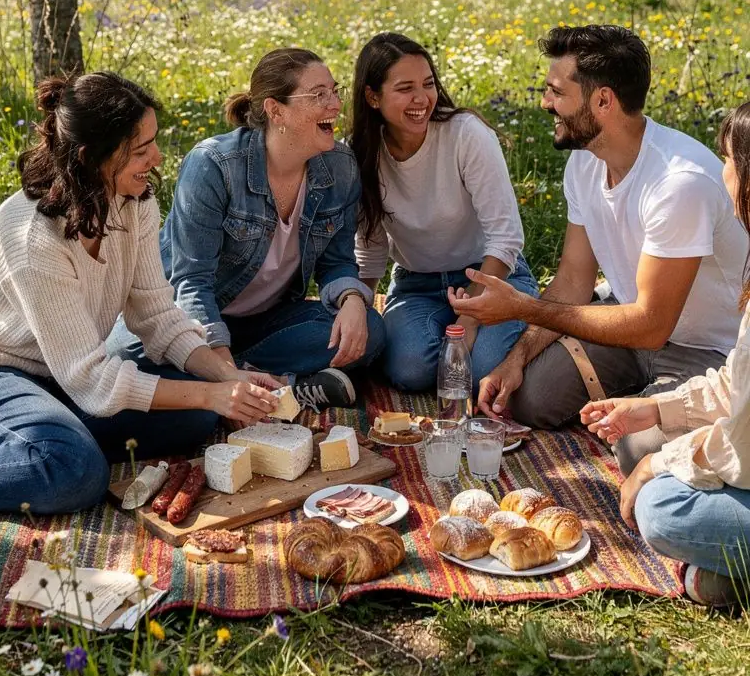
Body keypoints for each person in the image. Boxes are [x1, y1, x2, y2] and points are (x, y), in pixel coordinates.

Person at [0, 73, 280, 516]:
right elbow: (90, 378)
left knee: (195, 414)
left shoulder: (135, 203)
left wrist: (224, 376)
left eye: (154, 142)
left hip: (61, 374)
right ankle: (3, 449)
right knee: (76, 471)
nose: (156, 159)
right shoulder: (32, 239)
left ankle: (23, 444)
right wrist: (211, 393)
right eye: (141, 150)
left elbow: (157, 315)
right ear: (90, 157)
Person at [449, 25, 747, 473]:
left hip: (706, 350)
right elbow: (572, 279)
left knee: (635, 448)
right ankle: (637, 397)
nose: (546, 103)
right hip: (631, 332)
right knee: (533, 399)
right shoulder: (585, 162)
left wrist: (521, 308)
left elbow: (650, 325)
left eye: (556, 92)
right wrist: (516, 359)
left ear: (602, 101)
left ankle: (664, 411)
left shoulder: (678, 183)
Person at [581, 102, 750, 607]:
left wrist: (661, 462)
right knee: (643, 444)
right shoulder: (583, 167)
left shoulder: (679, 180)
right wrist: (655, 409)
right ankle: (726, 574)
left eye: (728, 159)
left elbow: (743, 444)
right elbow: (736, 387)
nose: (722, 173)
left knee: (663, 505)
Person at [160, 47, 385, 409]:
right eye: (318, 95)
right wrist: (221, 368)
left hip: (266, 324)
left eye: (334, 90)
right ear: (275, 109)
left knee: (369, 331)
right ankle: (286, 386)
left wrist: (354, 300)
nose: (336, 105)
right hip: (192, 322)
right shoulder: (214, 166)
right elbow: (191, 284)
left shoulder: (340, 166)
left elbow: (337, 263)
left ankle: (260, 378)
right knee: (141, 363)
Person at [350, 32, 538, 390]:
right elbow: (371, 251)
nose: (422, 98)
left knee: (480, 370)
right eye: (405, 88)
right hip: (416, 285)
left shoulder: (466, 135)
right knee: (411, 371)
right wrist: (360, 314)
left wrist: (469, 319)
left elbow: (505, 236)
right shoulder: (360, 154)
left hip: (490, 276)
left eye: (428, 83)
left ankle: (537, 322)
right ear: (373, 97)